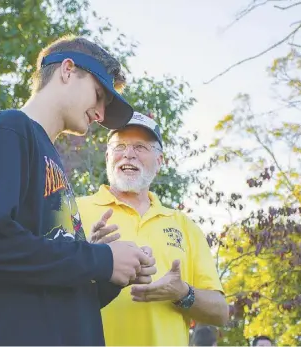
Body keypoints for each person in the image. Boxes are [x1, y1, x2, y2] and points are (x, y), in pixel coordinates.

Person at [0, 36, 156, 346]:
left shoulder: (51, 162)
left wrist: (113, 271)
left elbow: (56, 293)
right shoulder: (10, 128)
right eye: (98, 95)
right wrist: (98, 258)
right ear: (68, 70)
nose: (100, 114)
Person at [76, 112, 229, 346]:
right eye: (120, 146)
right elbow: (41, 288)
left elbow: (220, 312)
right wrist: (88, 260)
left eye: (140, 147)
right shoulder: (73, 210)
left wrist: (182, 293)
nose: (128, 154)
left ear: (159, 162)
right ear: (108, 156)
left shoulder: (184, 226)